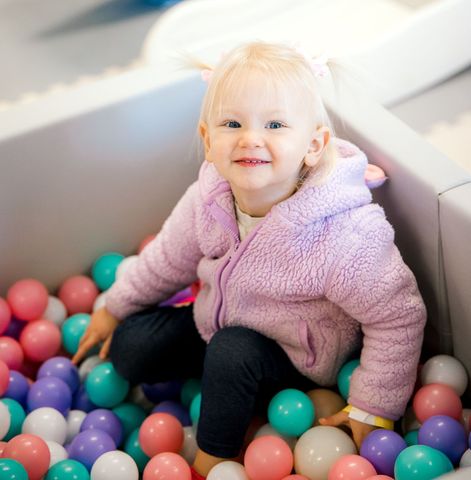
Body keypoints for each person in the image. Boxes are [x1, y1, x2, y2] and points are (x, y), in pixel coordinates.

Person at [72, 41, 426, 478]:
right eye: (232, 123)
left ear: (313, 145)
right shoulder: (208, 198)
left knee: (231, 351)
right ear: (208, 140)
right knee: (130, 348)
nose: (250, 138)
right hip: (216, 322)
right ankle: (224, 391)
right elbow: (167, 259)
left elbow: (398, 315)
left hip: (297, 360)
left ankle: (211, 462)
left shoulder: (343, 233)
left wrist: (373, 406)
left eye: (275, 124)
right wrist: (114, 307)